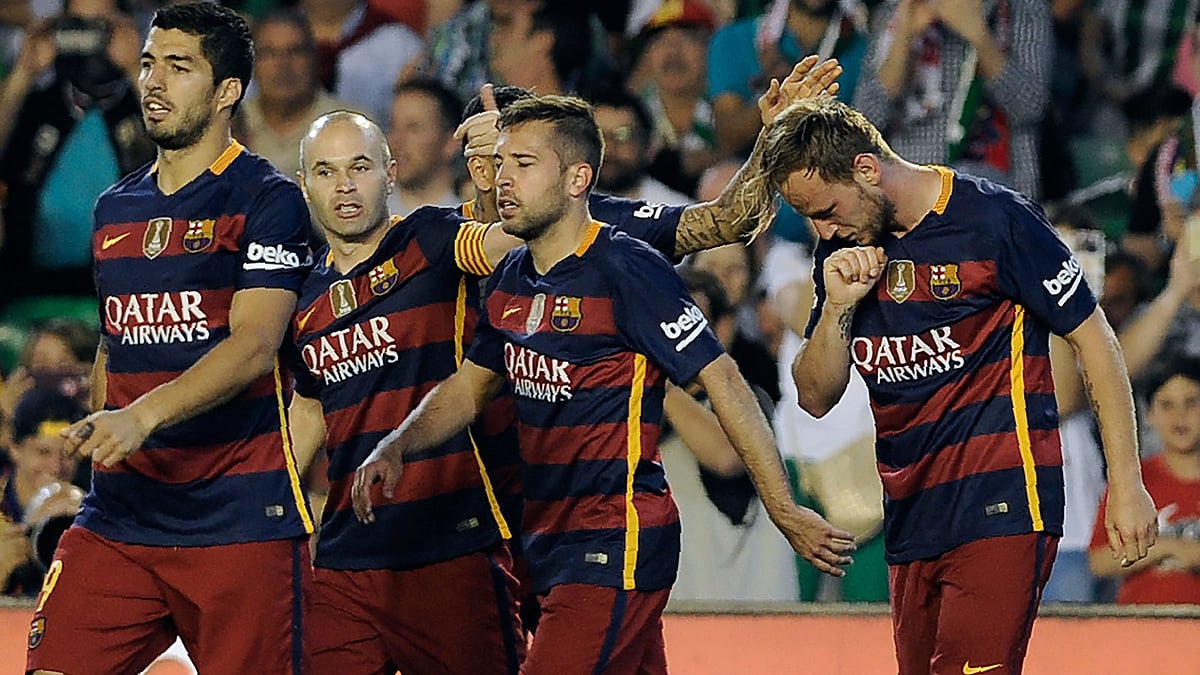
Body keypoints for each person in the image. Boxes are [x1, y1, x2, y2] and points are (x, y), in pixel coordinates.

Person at [289, 58, 840, 670]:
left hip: (562, 533)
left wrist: (774, 138)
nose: (495, 176)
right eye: (483, 160)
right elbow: (466, 388)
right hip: (531, 529)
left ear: (569, 176)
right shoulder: (503, 271)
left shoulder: (597, 245)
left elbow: (726, 238)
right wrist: (396, 442)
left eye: (510, 159)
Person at [758, 96, 1157, 673]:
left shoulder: (994, 221)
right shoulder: (843, 245)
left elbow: (1096, 340)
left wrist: (1127, 481)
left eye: (826, 210)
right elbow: (816, 397)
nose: (824, 228)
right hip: (911, 514)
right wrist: (837, 309)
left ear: (867, 169)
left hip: (1003, 505)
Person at [28, 4, 314, 674]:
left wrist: (143, 415)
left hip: (239, 522)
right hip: (121, 516)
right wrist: (105, 422)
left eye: (179, 67)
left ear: (226, 92)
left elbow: (254, 344)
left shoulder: (269, 199)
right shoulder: (115, 208)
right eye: (150, 62)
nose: (153, 81)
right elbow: (114, 342)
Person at [1088, 358, 1200, 604]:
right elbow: (1099, 560)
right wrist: (1168, 547)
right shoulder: (1132, 480)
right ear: (1149, 414)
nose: (1179, 415)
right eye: (1166, 405)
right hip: (1140, 625)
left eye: (1191, 403)